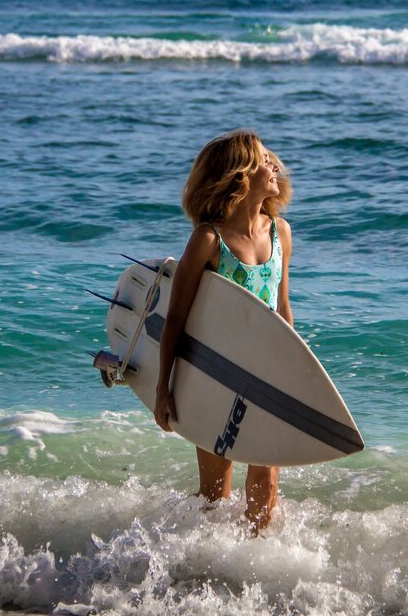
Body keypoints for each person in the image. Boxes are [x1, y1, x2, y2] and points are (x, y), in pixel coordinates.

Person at [152, 129, 294, 533]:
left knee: (266, 486)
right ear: (240, 173)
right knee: (215, 492)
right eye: (264, 160)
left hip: (265, 374)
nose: (275, 166)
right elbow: (177, 318)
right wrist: (165, 387)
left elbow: (282, 308)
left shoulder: (280, 232)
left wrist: (294, 374)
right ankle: (194, 561)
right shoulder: (208, 240)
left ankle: (248, 573)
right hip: (216, 372)